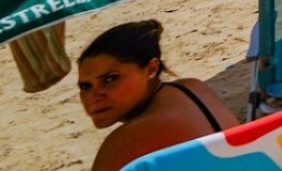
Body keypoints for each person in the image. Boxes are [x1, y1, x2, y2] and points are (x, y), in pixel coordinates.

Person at [76, 20, 235, 171]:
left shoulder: (129, 139)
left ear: (152, 69)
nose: (93, 96)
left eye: (110, 79)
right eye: (85, 86)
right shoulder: (193, 87)